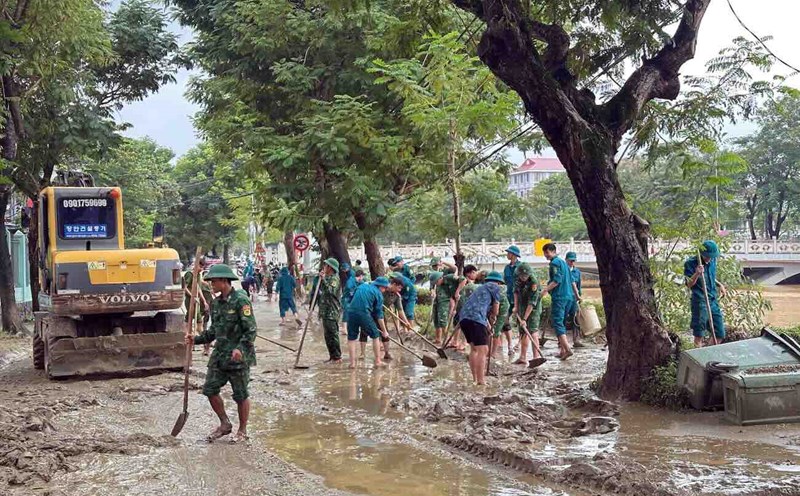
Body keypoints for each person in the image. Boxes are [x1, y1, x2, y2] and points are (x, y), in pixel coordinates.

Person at [187, 263, 256, 443]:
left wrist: (240, 349)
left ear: (224, 281)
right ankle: (225, 423)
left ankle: (242, 430)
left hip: (238, 357)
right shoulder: (215, 303)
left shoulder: (241, 300)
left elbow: (251, 330)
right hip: (220, 355)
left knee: (240, 394)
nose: (211, 285)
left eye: (213, 281)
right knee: (210, 389)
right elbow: (213, 331)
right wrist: (195, 339)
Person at [346, 276, 402, 369]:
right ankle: (378, 361)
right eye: (384, 288)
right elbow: (379, 316)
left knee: (351, 338)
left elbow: (352, 297)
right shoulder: (378, 294)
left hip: (351, 312)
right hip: (363, 313)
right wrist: (384, 331)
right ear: (380, 287)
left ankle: (352, 364)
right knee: (375, 335)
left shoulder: (362, 286)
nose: (384, 290)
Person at [458, 270, 503, 385]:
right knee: (483, 350)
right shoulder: (494, 287)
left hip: (464, 319)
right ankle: (481, 381)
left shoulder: (480, 289)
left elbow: (480, 308)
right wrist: (494, 317)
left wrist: (488, 325)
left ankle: (475, 379)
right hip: (476, 319)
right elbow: (496, 310)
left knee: (474, 349)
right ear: (498, 282)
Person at [684, 240, 726, 347]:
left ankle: (709, 354)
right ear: (702, 254)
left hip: (712, 299)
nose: (710, 258)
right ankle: (700, 358)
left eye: (712, 256)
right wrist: (697, 273)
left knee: (719, 333)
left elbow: (710, 276)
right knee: (699, 335)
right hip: (700, 302)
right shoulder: (690, 263)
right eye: (708, 256)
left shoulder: (712, 261)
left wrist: (719, 285)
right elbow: (689, 284)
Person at [541, 243, 574, 360]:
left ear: (552, 251)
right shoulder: (564, 264)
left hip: (560, 297)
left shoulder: (554, 263)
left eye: (546, 252)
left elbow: (556, 281)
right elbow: (571, 280)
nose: (545, 255)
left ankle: (568, 350)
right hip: (569, 297)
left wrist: (545, 290)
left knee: (558, 323)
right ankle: (562, 351)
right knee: (562, 322)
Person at [512, 262, 545, 367]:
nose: (523, 277)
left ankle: (536, 357)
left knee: (533, 331)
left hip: (533, 309)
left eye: (525, 276)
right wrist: (516, 306)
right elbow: (516, 292)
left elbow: (532, 303)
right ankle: (522, 357)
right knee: (523, 332)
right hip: (522, 306)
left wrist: (525, 319)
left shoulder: (534, 283)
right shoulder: (517, 279)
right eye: (521, 275)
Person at [184, 257, 212, 355]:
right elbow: (184, 287)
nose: (201, 269)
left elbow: (198, 288)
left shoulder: (198, 275)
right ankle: (204, 343)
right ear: (197, 265)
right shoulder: (190, 274)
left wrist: (204, 301)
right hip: (190, 302)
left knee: (195, 324)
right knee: (192, 324)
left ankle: (203, 343)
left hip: (197, 302)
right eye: (201, 267)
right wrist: (192, 296)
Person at [318, 258, 342, 363]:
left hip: (332, 312)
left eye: (326, 265)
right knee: (327, 336)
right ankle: (332, 356)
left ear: (330, 268)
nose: (324, 267)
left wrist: (323, 279)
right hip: (325, 311)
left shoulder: (334, 279)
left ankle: (337, 357)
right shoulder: (327, 278)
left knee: (333, 335)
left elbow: (330, 291)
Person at [433, 269, 466, 346]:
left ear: (440, 278)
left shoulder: (449, 277)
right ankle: (450, 341)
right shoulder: (443, 285)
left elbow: (463, 280)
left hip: (463, 298)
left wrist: (458, 291)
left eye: (436, 282)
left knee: (461, 321)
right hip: (455, 299)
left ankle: (461, 343)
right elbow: (450, 296)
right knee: (454, 321)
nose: (436, 284)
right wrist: (452, 308)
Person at [564, 251, 584, 348]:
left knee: (576, 319)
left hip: (574, 299)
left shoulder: (577, 272)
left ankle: (576, 340)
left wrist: (579, 296)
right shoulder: (562, 270)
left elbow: (578, 286)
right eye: (570, 260)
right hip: (564, 298)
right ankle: (562, 341)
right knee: (562, 318)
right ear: (566, 260)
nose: (572, 262)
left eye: (573, 261)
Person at [491, 280, 511, 358]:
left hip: (503, 310)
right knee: (492, 330)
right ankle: (497, 347)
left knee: (500, 328)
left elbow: (496, 306)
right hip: (494, 308)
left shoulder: (502, 289)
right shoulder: (488, 289)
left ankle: (494, 353)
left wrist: (494, 316)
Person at [503, 245, 522, 316]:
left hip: (519, 296)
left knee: (519, 316)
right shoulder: (507, 268)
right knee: (509, 315)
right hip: (509, 295)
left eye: (509, 253)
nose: (507, 255)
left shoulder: (521, 266)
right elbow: (505, 282)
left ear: (514, 255)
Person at [341, 263, 357, 331]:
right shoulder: (349, 274)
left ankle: (345, 328)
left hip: (348, 296)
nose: (343, 271)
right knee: (347, 311)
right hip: (348, 295)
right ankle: (345, 328)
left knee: (347, 311)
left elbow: (350, 288)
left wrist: (352, 294)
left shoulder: (351, 277)